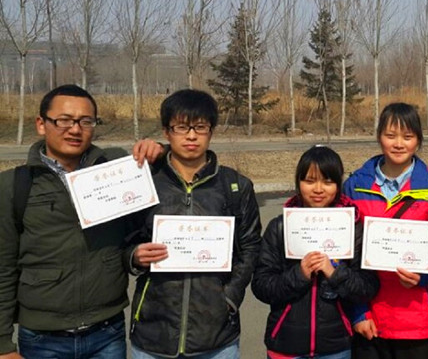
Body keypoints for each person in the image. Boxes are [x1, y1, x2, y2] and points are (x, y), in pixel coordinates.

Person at [0, 84, 162, 359]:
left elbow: (178, 163)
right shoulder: (14, 185)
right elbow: (3, 267)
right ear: (41, 124)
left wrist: (160, 149)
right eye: (64, 120)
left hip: (107, 331)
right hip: (42, 338)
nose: (75, 129)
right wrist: (3, 345)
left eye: (86, 121)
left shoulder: (116, 168)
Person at [126, 89, 262, 358]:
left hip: (216, 337)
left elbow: (250, 247)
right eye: (181, 127)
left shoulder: (235, 186)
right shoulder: (144, 180)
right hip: (154, 333)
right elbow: (123, 239)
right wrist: (134, 256)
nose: (191, 136)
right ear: (166, 132)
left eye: (200, 127)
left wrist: (229, 298)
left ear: (211, 131)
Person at [343, 103, 428, 359]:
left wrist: (423, 275)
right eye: (390, 135)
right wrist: (358, 313)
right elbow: (346, 257)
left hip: (416, 319)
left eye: (407, 136)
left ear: (418, 140)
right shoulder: (354, 186)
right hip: (369, 319)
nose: (398, 144)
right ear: (379, 137)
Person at [251, 146, 379, 359]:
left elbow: (367, 288)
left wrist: (334, 273)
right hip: (285, 345)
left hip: (336, 348)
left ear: (338, 185)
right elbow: (261, 286)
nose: (318, 189)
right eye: (310, 181)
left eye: (327, 182)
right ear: (298, 183)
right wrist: (299, 274)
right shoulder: (280, 227)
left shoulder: (352, 228)